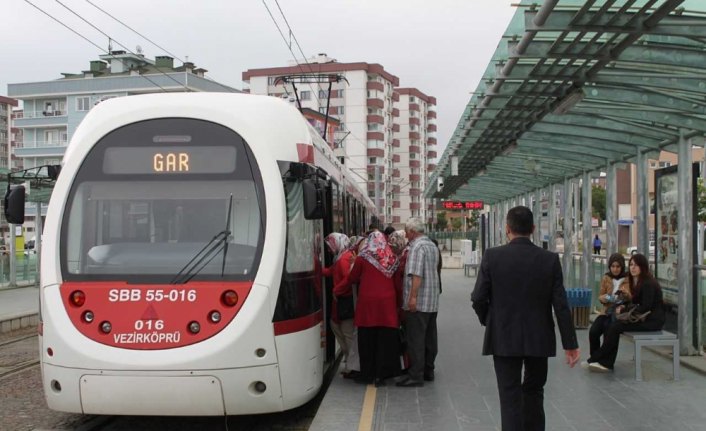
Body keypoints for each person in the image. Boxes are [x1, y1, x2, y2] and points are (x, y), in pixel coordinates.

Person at [471, 206, 579, 431]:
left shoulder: (492, 256)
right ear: (533, 229)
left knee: (509, 396)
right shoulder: (549, 260)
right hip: (539, 337)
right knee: (534, 393)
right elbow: (560, 304)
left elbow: (478, 298)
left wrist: (490, 319)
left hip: (503, 336)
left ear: (507, 229)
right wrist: (570, 344)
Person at [335, 231, 401, 387]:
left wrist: (336, 290)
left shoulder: (363, 258)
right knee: (384, 341)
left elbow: (352, 279)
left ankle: (367, 374)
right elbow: (398, 285)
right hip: (387, 305)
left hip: (367, 305)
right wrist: (399, 305)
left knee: (367, 341)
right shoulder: (392, 258)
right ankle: (382, 376)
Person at [586, 253, 665, 372]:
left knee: (615, 327)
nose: (633, 267)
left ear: (643, 267)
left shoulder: (647, 283)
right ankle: (599, 359)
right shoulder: (639, 281)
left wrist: (624, 308)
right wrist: (623, 307)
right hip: (641, 317)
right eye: (631, 264)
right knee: (602, 329)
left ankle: (599, 359)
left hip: (651, 321)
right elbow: (637, 303)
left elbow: (645, 307)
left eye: (636, 265)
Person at [396, 218, 440, 387]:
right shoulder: (431, 245)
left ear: (413, 231)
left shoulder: (416, 247)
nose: (406, 236)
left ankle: (415, 375)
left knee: (416, 339)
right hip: (432, 300)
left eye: (407, 232)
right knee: (430, 338)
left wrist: (412, 298)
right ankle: (429, 371)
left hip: (419, 302)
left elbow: (416, 275)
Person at [322, 233, 359, 378]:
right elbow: (329, 272)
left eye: (331, 245)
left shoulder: (344, 259)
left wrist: (336, 290)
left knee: (346, 333)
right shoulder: (340, 258)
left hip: (345, 302)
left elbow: (349, 279)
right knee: (341, 329)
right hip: (341, 302)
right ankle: (350, 362)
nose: (330, 249)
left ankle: (352, 366)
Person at [587, 253, 631, 359]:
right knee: (593, 332)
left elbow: (631, 298)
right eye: (613, 266)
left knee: (609, 334)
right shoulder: (606, 277)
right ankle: (595, 356)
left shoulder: (627, 279)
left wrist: (625, 294)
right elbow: (600, 295)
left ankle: (605, 360)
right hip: (606, 311)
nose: (615, 269)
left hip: (619, 313)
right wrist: (604, 298)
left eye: (618, 266)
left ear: (622, 267)